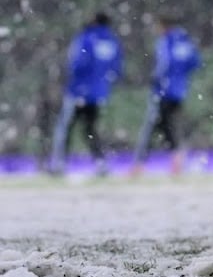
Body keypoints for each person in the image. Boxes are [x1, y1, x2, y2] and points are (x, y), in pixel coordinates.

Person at [48, 12, 123, 176]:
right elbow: (116, 69)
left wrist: (72, 82)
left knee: (65, 128)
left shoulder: (86, 38)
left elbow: (77, 64)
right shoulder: (112, 42)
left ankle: (59, 164)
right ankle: (101, 163)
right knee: (90, 129)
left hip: (78, 91)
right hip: (99, 93)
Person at [131, 16, 202, 176]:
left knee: (149, 129)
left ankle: (139, 165)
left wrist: (156, 80)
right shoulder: (185, 41)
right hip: (179, 92)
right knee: (169, 127)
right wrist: (181, 78)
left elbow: (163, 64)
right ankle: (177, 161)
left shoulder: (166, 41)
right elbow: (195, 62)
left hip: (163, 92)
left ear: (163, 26)